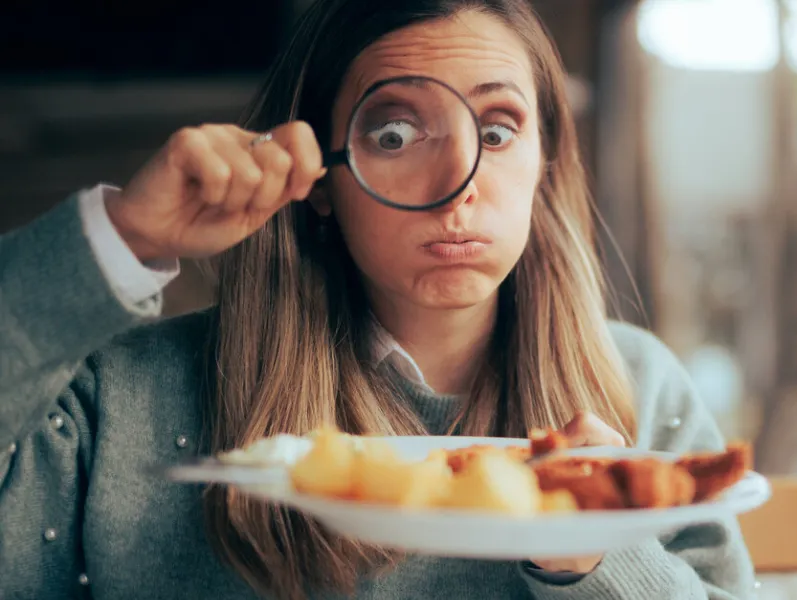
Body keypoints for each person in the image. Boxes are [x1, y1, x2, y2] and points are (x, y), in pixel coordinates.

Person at [0, 0, 754, 599]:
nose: (457, 187)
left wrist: (596, 561)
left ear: (545, 166)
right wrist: (118, 240)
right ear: (323, 181)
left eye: (497, 130)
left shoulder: (639, 387)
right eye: (394, 134)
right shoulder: (124, 396)